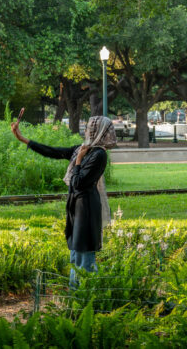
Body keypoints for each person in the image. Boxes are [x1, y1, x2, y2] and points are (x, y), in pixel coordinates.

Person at [11, 115, 116, 287]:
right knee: (75, 255)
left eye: (91, 128)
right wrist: (23, 139)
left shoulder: (98, 155)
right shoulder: (82, 149)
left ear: (99, 132)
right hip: (76, 208)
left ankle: (88, 297)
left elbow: (78, 183)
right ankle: (75, 299)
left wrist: (79, 161)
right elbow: (53, 151)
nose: (87, 131)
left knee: (84, 257)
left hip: (87, 211)